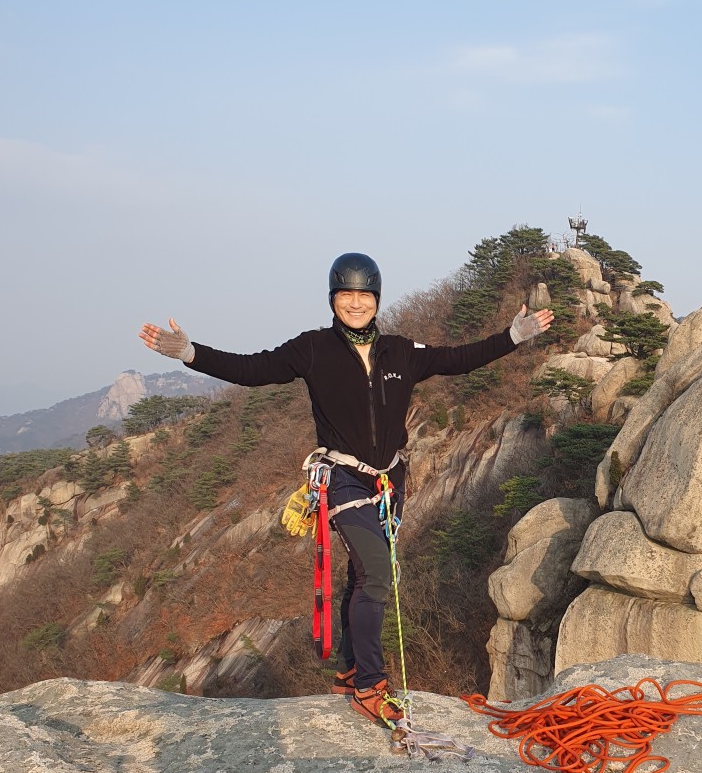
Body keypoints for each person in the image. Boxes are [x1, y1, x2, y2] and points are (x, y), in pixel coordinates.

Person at [140, 251, 554, 727]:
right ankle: (369, 684)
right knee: (377, 571)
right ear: (332, 299)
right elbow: (252, 369)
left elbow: (458, 359)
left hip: (389, 482)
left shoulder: (401, 351)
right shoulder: (313, 349)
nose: (355, 304)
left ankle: (352, 669)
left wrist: (512, 338)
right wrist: (191, 353)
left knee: (363, 575)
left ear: (375, 299)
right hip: (342, 478)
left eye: (363, 295)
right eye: (346, 295)